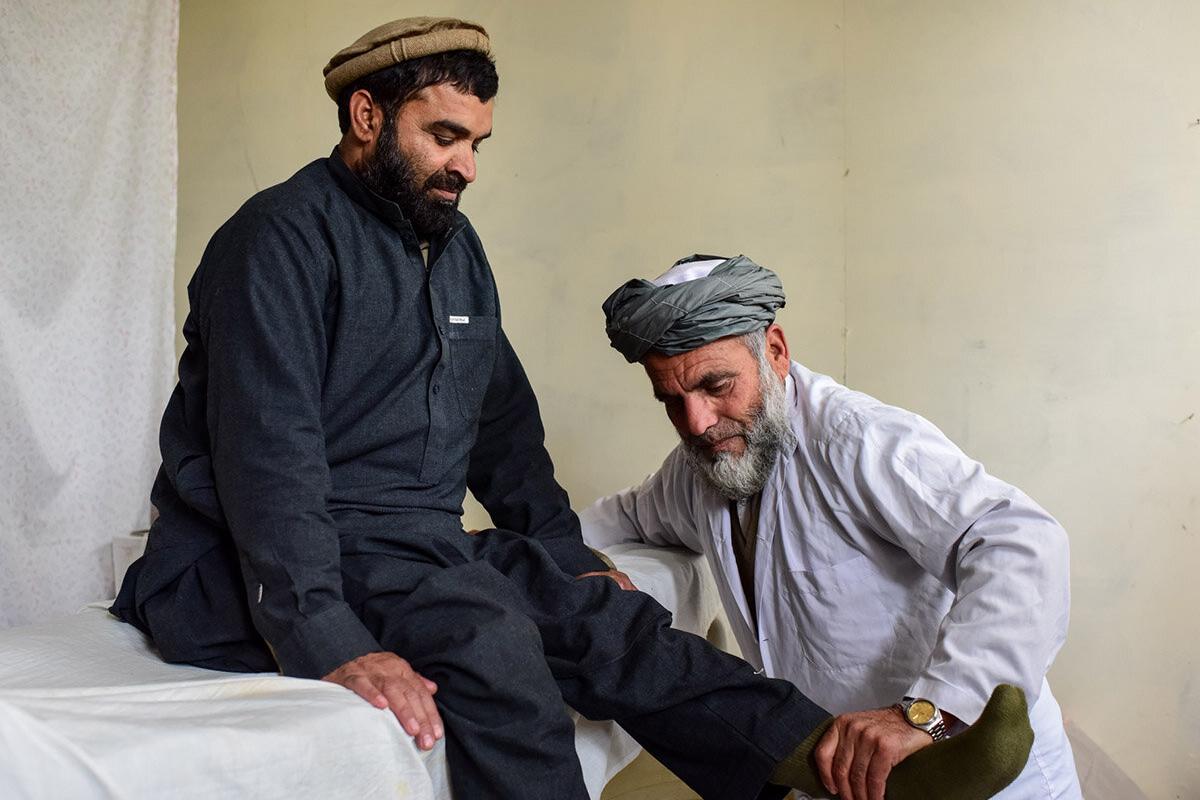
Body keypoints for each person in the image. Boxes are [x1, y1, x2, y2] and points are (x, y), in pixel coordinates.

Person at [113, 18, 1032, 800]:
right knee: (492, 645)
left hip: (410, 549)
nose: (466, 166)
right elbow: (267, 460)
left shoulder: (455, 251)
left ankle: (843, 767)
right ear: (366, 117)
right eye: (444, 136)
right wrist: (327, 641)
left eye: (477, 143)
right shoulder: (273, 243)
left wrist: (570, 559)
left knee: (609, 623)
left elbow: (504, 432)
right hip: (264, 559)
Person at [584, 253, 1084, 800]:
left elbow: (1021, 542)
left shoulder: (858, 439)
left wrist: (928, 712)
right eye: (672, 401)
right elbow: (623, 519)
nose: (697, 422)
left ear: (775, 352)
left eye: (717, 385)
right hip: (848, 780)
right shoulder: (701, 467)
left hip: (975, 776)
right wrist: (585, 565)